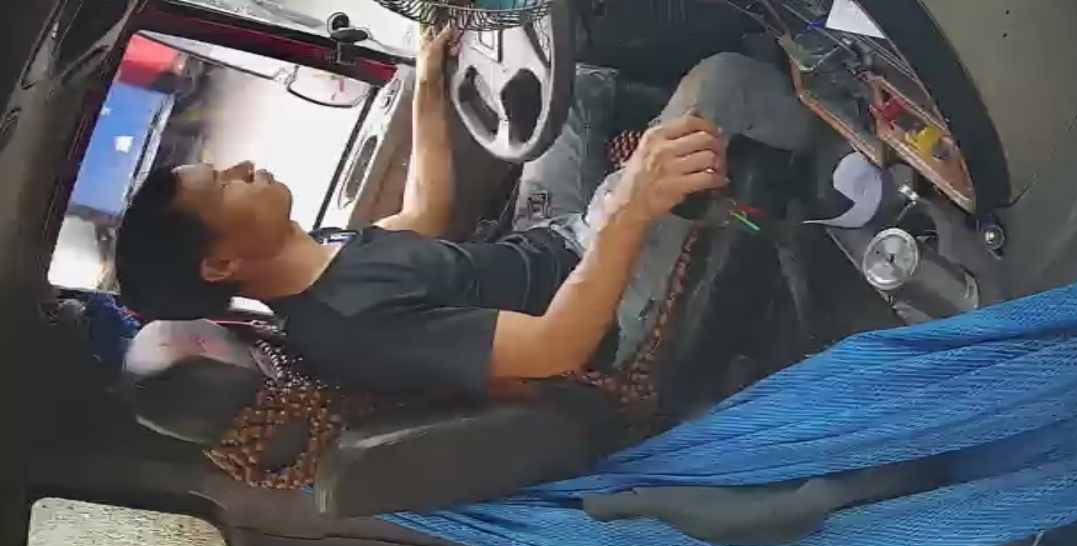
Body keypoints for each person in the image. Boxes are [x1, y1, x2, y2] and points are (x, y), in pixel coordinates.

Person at [114, 27, 814, 398]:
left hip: (545, 241)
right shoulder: (348, 326)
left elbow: (427, 211)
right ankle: (837, 137)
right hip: (604, 298)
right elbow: (556, 348)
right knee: (722, 80)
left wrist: (424, 82)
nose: (243, 166)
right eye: (224, 184)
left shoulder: (322, 252)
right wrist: (632, 204)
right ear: (221, 263)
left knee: (574, 87)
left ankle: (729, 138)